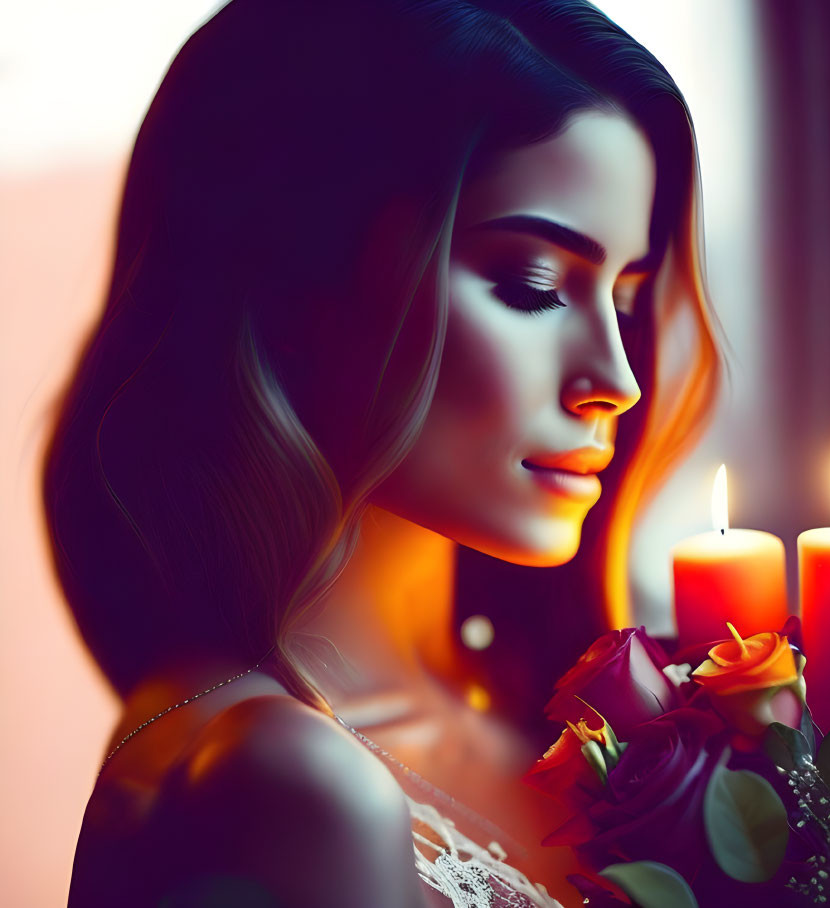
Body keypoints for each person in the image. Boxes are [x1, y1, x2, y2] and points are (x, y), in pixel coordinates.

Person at [43, 0, 724, 904]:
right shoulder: (292, 786)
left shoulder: (548, 710)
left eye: (627, 300)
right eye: (532, 285)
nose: (617, 380)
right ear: (297, 279)